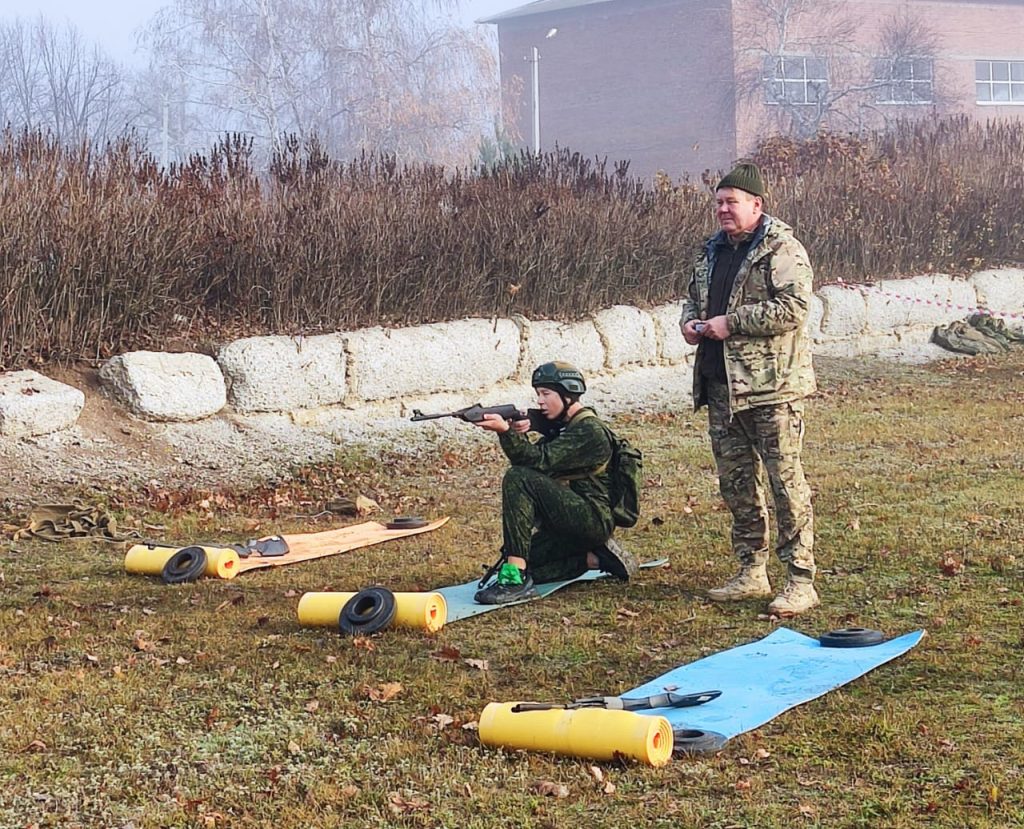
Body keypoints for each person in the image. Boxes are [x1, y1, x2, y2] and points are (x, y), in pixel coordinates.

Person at [680, 162, 819, 616]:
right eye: (719, 202)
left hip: (772, 389)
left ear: (756, 205)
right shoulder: (710, 251)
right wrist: (690, 323)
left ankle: (800, 580)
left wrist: (732, 323)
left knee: (785, 484)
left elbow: (794, 308)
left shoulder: (782, 248)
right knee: (737, 484)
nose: (723, 209)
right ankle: (751, 570)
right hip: (722, 387)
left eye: (732, 202)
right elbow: (694, 299)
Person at [471, 361, 638, 604]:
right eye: (538, 394)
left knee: (517, 477)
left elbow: (535, 462)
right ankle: (593, 559)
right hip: (568, 521)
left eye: (546, 393)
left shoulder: (589, 431)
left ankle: (515, 580)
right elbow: (534, 462)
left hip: (592, 518)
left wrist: (505, 432)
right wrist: (519, 430)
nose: (540, 401)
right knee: (519, 555)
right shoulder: (564, 427)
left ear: (568, 394)